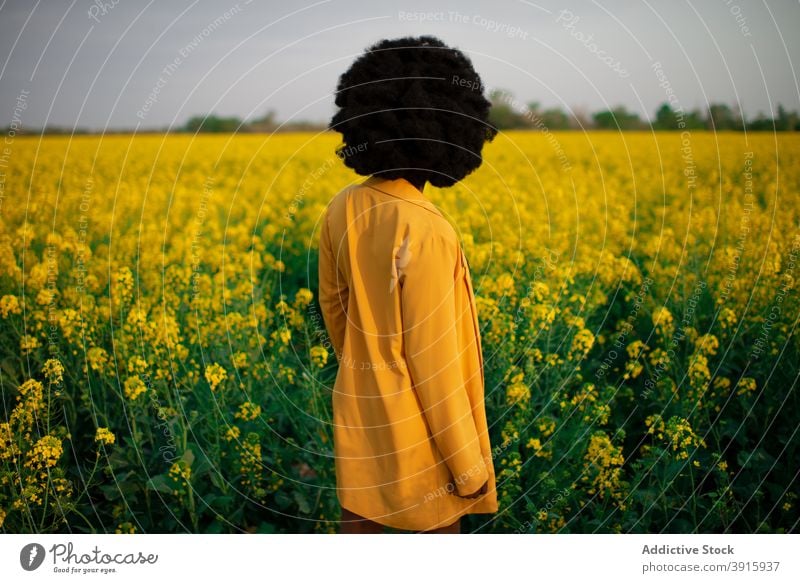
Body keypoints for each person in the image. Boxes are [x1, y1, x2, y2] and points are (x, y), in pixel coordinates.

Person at [318, 35, 498, 534]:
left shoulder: (342, 207)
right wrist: (468, 468)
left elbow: (336, 311)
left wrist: (371, 369)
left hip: (361, 446)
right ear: (453, 129)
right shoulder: (427, 229)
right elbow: (434, 363)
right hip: (423, 464)